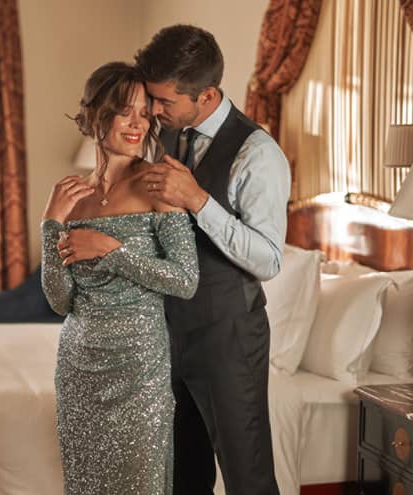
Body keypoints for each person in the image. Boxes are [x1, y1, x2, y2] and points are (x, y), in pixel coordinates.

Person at [136, 25, 290, 495]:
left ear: (205, 95)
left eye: (164, 102)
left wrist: (199, 200)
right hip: (171, 330)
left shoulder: (258, 154)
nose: (154, 112)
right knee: (185, 477)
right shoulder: (169, 133)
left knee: (248, 478)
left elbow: (268, 259)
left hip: (229, 337)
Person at [40, 61, 199, 494]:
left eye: (145, 113)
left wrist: (112, 252)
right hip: (78, 367)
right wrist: (51, 225)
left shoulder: (157, 183)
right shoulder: (72, 195)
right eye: (125, 111)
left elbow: (185, 280)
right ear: (97, 114)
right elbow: (60, 301)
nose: (137, 123)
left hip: (139, 368)